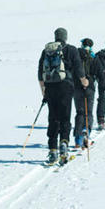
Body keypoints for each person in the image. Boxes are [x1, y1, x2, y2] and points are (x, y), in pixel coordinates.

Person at [38, 27, 88, 165]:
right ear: (65, 37)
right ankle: (64, 145)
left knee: (53, 118)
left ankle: (52, 149)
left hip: (50, 88)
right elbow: (78, 68)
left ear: (55, 36)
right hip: (66, 87)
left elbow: (40, 73)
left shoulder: (46, 50)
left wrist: (44, 92)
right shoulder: (71, 50)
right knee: (65, 117)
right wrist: (84, 81)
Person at [72, 38, 105, 149]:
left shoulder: (76, 55)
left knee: (79, 112)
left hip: (77, 87)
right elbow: (100, 74)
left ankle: (77, 140)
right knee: (88, 112)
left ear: (81, 45)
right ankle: (86, 130)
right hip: (90, 87)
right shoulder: (94, 57)